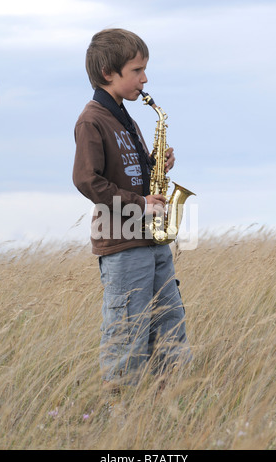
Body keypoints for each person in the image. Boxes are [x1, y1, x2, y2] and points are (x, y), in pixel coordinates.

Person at [72, 28, 192, 390]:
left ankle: (170, 405)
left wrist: (156, 162)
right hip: (122, 244)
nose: (144, 78)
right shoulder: (92, 119)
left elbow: (127, 174)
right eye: (137, 70)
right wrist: (141, 203)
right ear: (109, 72)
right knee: (128, 333)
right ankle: (120, 421)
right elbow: (86, 180)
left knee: (170, 323)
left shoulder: (128, 118)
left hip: (151, 240)